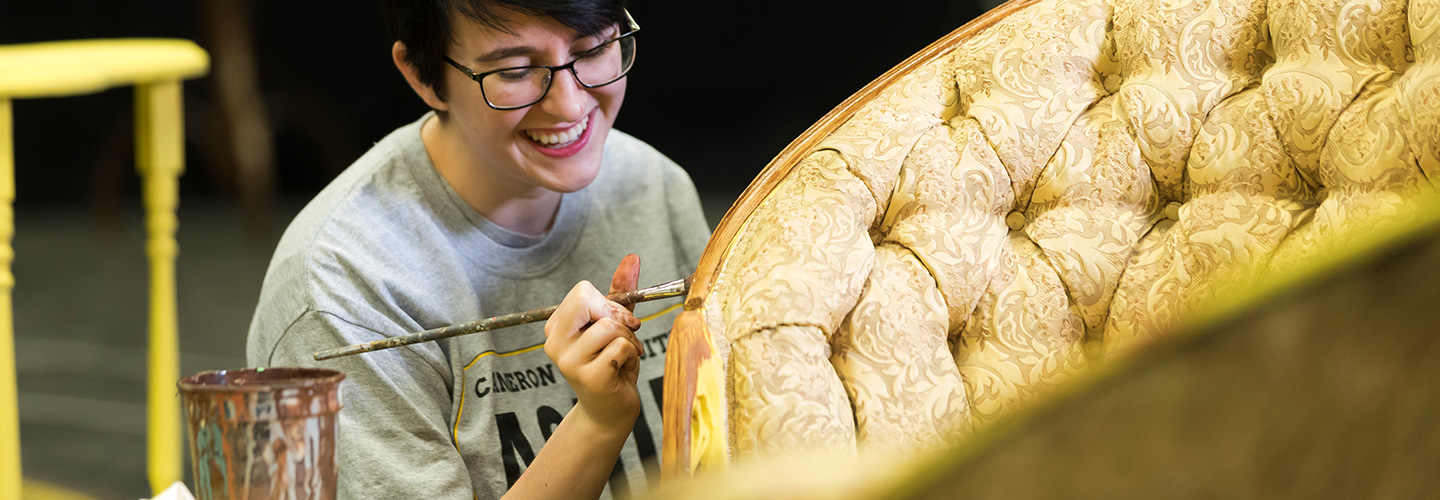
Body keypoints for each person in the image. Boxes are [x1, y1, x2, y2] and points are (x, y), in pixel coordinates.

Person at [245, 0, 710, 498]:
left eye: (595, 48)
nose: (572, 105)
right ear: (424, 78)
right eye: (514, 71)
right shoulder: (344, 285)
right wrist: (595, 424)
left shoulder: (654, 185)